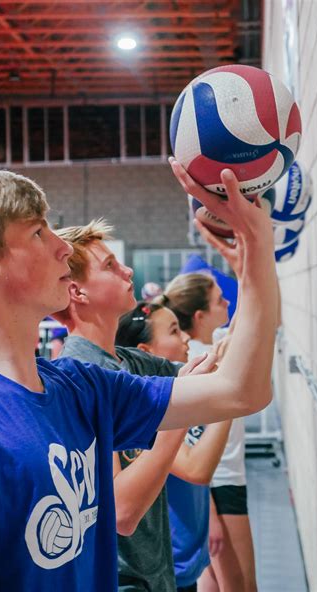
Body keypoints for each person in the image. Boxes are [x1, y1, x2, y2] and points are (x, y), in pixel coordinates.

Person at [0, 163, 277, 591]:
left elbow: (243, 390)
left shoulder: (83, 386)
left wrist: (258, 246)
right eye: (38, 232)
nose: (60, 248)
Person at [54, 224, 231, 591]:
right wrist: (179, 408)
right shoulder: (78, 377)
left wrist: (252, 260)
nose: (128, 270)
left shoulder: (132, 363)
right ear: (77, 291)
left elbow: (224, 380)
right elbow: (123, 512)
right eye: (110, 266)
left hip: (158, 574)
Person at [116, 302, 232, 592]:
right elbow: (196, 468)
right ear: (145, 351)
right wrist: (228, 401)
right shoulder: (151, 413)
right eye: (173, 331)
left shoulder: (178, 392)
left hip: (190, 548)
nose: (184, 339)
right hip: (172, 559)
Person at [161, 272, 257, 592]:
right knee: (239, 585)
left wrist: (246, 263)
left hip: (222, 481)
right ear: (200, 315)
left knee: (216, 584)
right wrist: (210, 514)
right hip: (219, 486)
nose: (227, 301)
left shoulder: (215, 345)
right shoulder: (198, 361)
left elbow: (246, 320)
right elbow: (191, 444)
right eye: (219, 299)